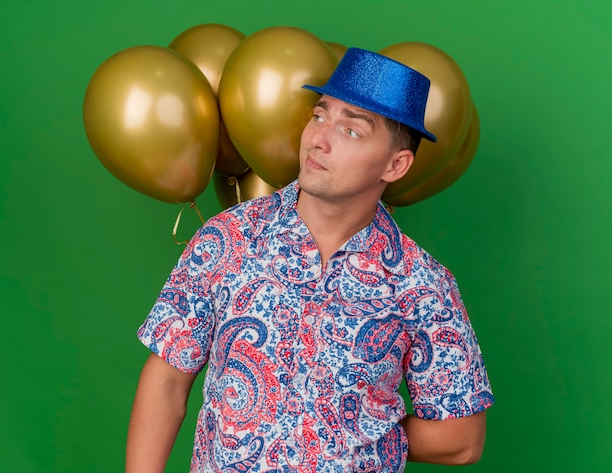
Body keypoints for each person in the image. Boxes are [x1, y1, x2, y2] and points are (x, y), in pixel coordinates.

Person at [126, 47, 494, 473]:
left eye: (351, 131)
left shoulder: (423, 284)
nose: (318, 138)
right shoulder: (228, 238)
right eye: (319, 116)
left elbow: (462, 441)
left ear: (395, 165)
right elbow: (168, 382)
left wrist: (353, 427)